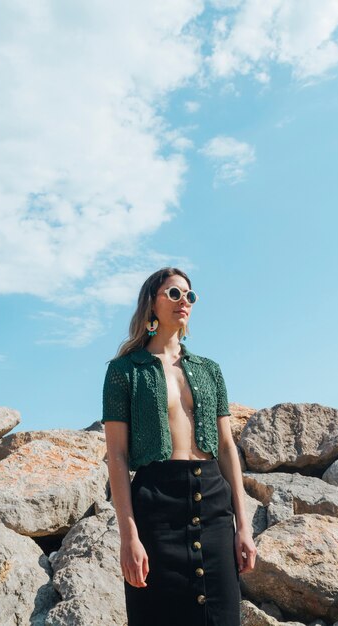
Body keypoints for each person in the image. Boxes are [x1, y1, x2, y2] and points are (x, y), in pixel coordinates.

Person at [101, 267, 256, 626]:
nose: (184, 301)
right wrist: (129, 537)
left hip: (215, 506)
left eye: (189, 295)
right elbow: (118, 456)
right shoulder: (125, 371)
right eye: (173, 293)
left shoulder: (209, 369)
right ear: (151, 303)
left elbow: (227, 447)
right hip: (156, 508)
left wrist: (243, 527)